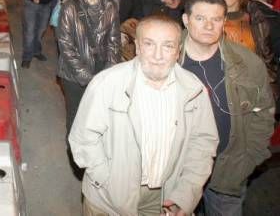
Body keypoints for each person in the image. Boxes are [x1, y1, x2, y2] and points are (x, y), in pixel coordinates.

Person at [70, 14, 219, 216]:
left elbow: (202, 144)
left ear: (178, 51)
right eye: (149, 44)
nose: (158, 55)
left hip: (163, 198)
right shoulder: (107, 83)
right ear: (137, 47)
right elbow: (83, 138)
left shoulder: (193, 90)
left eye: (167, 46)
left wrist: (185, 194)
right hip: (107, 200)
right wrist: (107, 179)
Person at [179, 0, 275, 216]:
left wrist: (249, 159)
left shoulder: (248, 64)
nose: (209, 26)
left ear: (225, 21)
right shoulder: (166, 60)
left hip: (227, 172)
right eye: (200, 18)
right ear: (186, 20)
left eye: (216, 19)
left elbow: (264, 113)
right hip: (177, 172)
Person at [57, 0, 120, 133]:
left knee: (98, 117)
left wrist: (107, 75)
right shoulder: (69, 7)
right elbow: (65, 46)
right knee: (76, 117)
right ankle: (74, 158)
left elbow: (114, 43)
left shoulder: (110, 7)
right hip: (74, 74)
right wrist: (86, 77)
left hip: (101, 70)